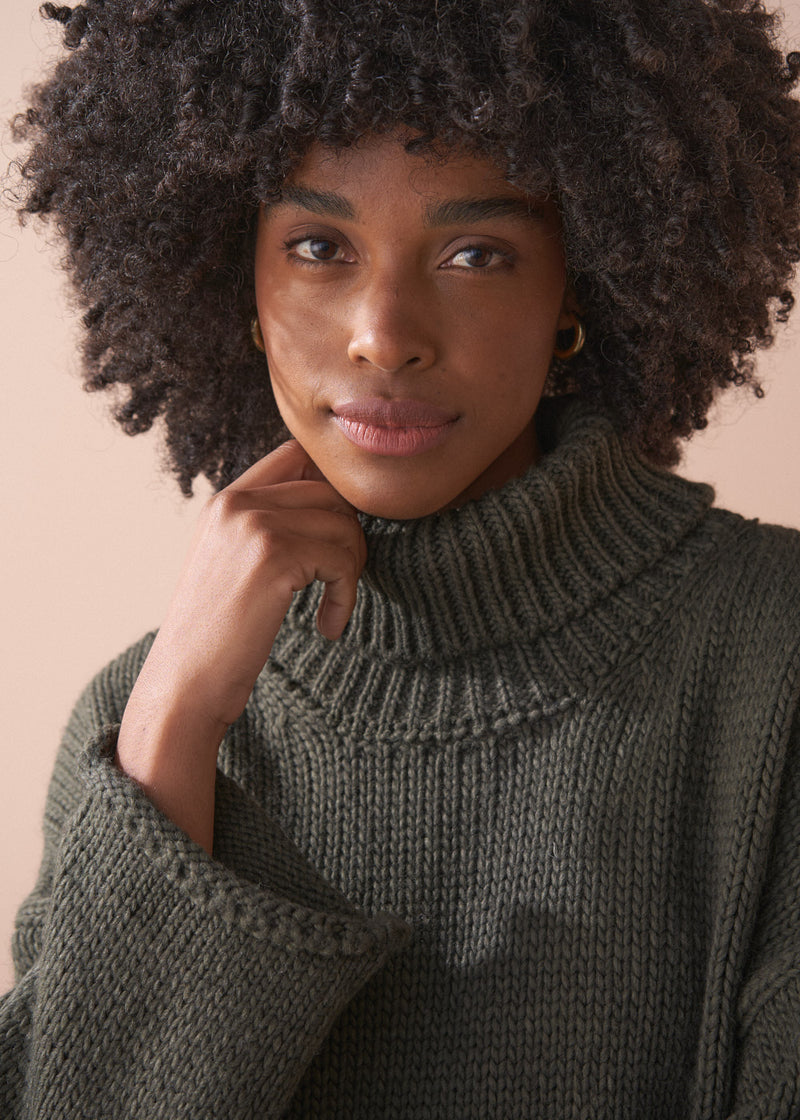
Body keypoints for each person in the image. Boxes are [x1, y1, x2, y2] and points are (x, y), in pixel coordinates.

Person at [2, 0, 800, 1115]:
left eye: (476, 252)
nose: (384, 329)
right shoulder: (138, 724)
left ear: (575, 289)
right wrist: (172, 730)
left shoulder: (773, 657)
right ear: (240, 281)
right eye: (318, 246)